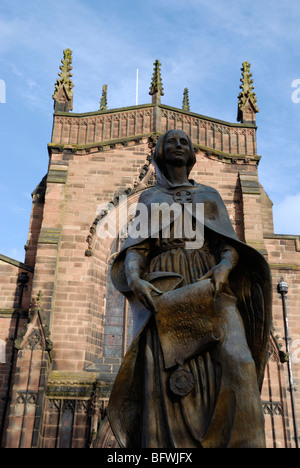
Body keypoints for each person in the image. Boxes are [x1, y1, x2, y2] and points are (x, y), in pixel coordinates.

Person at [107, 129, 272, 448]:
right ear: (159, 153)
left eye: (185, 142)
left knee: (240, 363)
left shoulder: (209, 195)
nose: (179, 146)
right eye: (172, 142)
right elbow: (136, 249)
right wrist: (135, 278)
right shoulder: (150, 198)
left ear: (193, 153)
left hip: (209, 282)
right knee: (165, 379)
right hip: (165, 288)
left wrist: (225, 266)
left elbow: (228, 245)